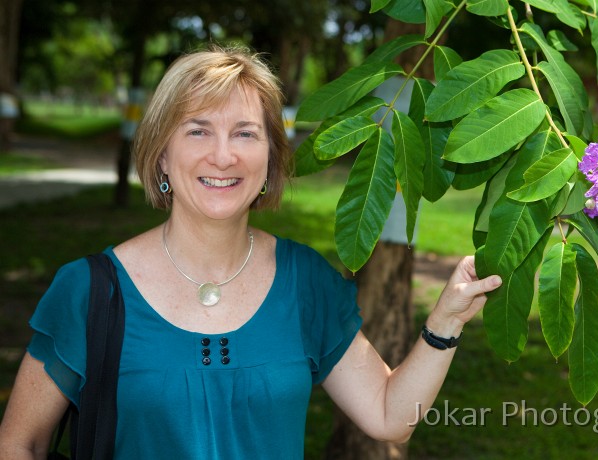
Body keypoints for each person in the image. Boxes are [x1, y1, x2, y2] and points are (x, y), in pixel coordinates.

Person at [0, 46, 502, 459]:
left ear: (270, 160)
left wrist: (446, 321)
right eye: (198, 130)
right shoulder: (90, 291)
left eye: (246, 133)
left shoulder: (306, 281)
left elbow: (392, 417)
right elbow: (20, 443)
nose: (224, 155)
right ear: (161, 155)